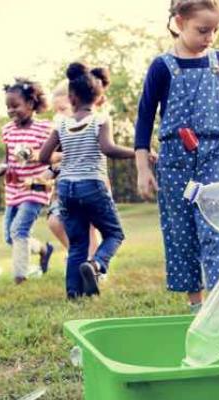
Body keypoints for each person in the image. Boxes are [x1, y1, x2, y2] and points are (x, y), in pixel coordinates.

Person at [134, 0, 219, 313]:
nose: (209, 37)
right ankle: (196, 304)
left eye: (215, 30)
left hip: (214, 154)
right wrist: (143, 167)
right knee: (181, 230)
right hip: (175, 158)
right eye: (202, 30)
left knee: (216, 227)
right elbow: (144, 118)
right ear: (180, 22)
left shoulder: (218, 61)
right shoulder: (161, 66)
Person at [40, 63, 142, 298]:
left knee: (77, 244)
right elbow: (108, 149)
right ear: (98, 99)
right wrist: (138, 151)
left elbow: (44, 157)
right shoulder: (101, 120)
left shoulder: (61, 124)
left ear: (71, 97)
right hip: (92, 185)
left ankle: (73, 293)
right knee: (115, 234)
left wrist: (64, 153)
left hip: (66, 188)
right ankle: (96, 265)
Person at [1, 78, 55, 284]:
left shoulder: (45, 129)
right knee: (10, 237)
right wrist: (4, 170)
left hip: (37, 186)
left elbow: (54, 156)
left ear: (31, 104)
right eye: (8, 107)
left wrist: (35, 155)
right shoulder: (7, 130)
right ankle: (43, 249)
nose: (11, 111)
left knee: (18, 231)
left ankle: (20, 277)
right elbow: (9, 159)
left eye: (15, 106)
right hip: (14, 188)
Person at [46, 81, 102, 259]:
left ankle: (94, 267)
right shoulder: (60, 131)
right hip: (64, 189)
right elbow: (51, 159)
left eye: (62, 109)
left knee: (89, 227)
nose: (58, 115)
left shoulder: (93, 126)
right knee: (55, 222)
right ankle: (79, 255)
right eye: (56, 111)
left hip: (90, 186)